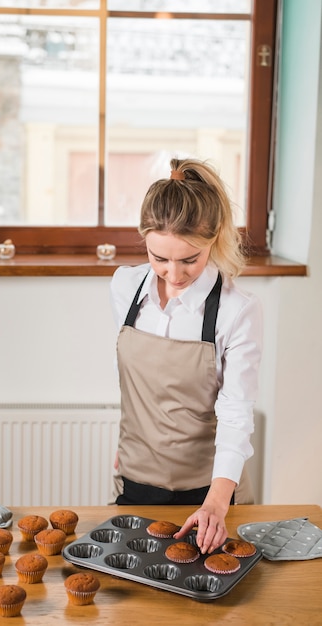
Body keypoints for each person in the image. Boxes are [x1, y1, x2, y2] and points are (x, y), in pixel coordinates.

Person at [110, 157, 262, 555]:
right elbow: (134, 378)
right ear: (144, 239)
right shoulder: (124, 288)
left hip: (208, 490)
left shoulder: (236, 311)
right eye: (159, 258)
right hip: (135, 479)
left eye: (189, 259)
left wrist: (217, 502)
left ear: (214, 240)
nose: (174, 275)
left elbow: (236, 412)